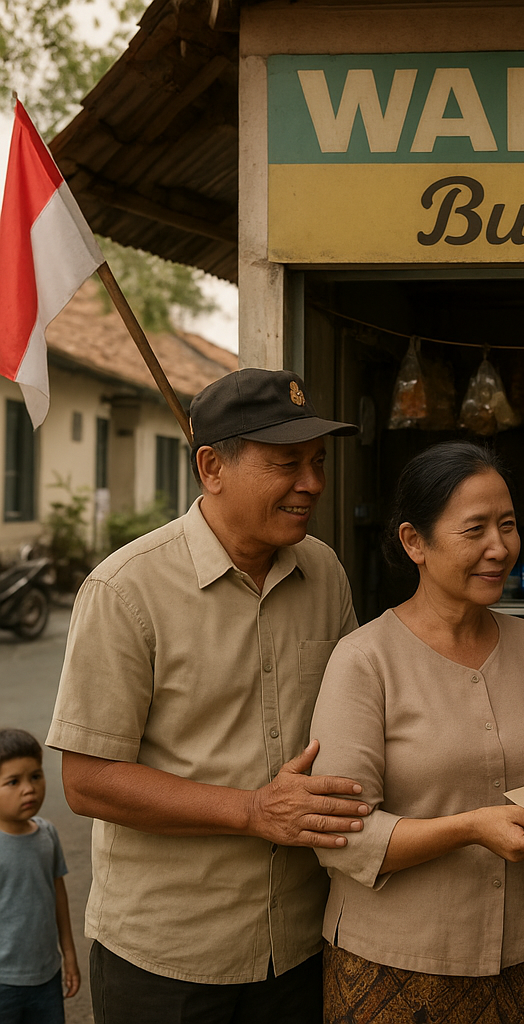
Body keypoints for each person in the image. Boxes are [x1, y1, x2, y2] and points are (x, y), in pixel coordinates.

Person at [46, 368, 369, 1024]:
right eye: (286, 464)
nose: (311, 484)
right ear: (212, 467)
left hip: (304, 944)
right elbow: (86, 783)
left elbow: (359, 721)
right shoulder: (125, 591)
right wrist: (252, 810)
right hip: (170, 957)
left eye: (318, 462)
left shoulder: (325, 571)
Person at [309, 440, 524, 1024]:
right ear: (414, 541)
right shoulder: (364, 660)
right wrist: (470, 828)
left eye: (509, 526)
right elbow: (341, 835)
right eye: (475, 530)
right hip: (395, 969)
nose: (500, 548)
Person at [0, 728, 79, 1024]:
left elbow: (58, 896)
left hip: (47, 975)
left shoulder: (47, 834)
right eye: (13, 782)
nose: (29, 789)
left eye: (35, 776)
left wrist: (68, 953)